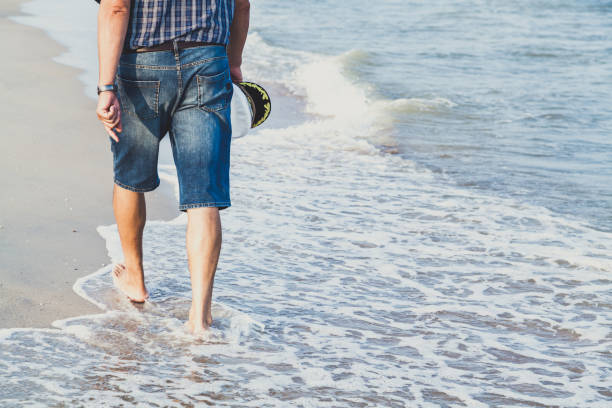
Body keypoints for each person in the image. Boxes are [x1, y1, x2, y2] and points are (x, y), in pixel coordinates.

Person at [95, 0, 250, 334]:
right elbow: (242, 4)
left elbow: (117, 8)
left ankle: (135, 279)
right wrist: (234, 62)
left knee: (130, 178)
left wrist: (106, 87)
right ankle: (200, 317)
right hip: (208, 62)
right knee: (204, 195)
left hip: (141, 62)